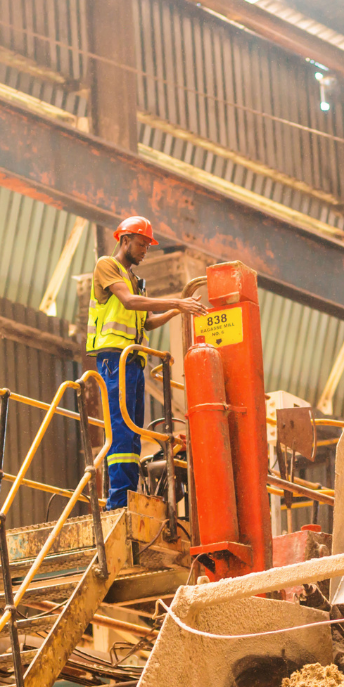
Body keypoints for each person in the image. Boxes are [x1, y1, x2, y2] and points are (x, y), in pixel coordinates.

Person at [87, 216, 207, 509]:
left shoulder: (137, 281)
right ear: (125, 240)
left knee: (134, 431)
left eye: (147, 247)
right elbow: (128, 302)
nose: (144, 251)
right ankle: (119, 501)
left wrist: (178, 310)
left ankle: (129, 494)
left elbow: (148, 322)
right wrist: (176, 302)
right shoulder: (107, 266)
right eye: (141, 244)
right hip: (115, 360)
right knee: (121, 428)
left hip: (133, 361)